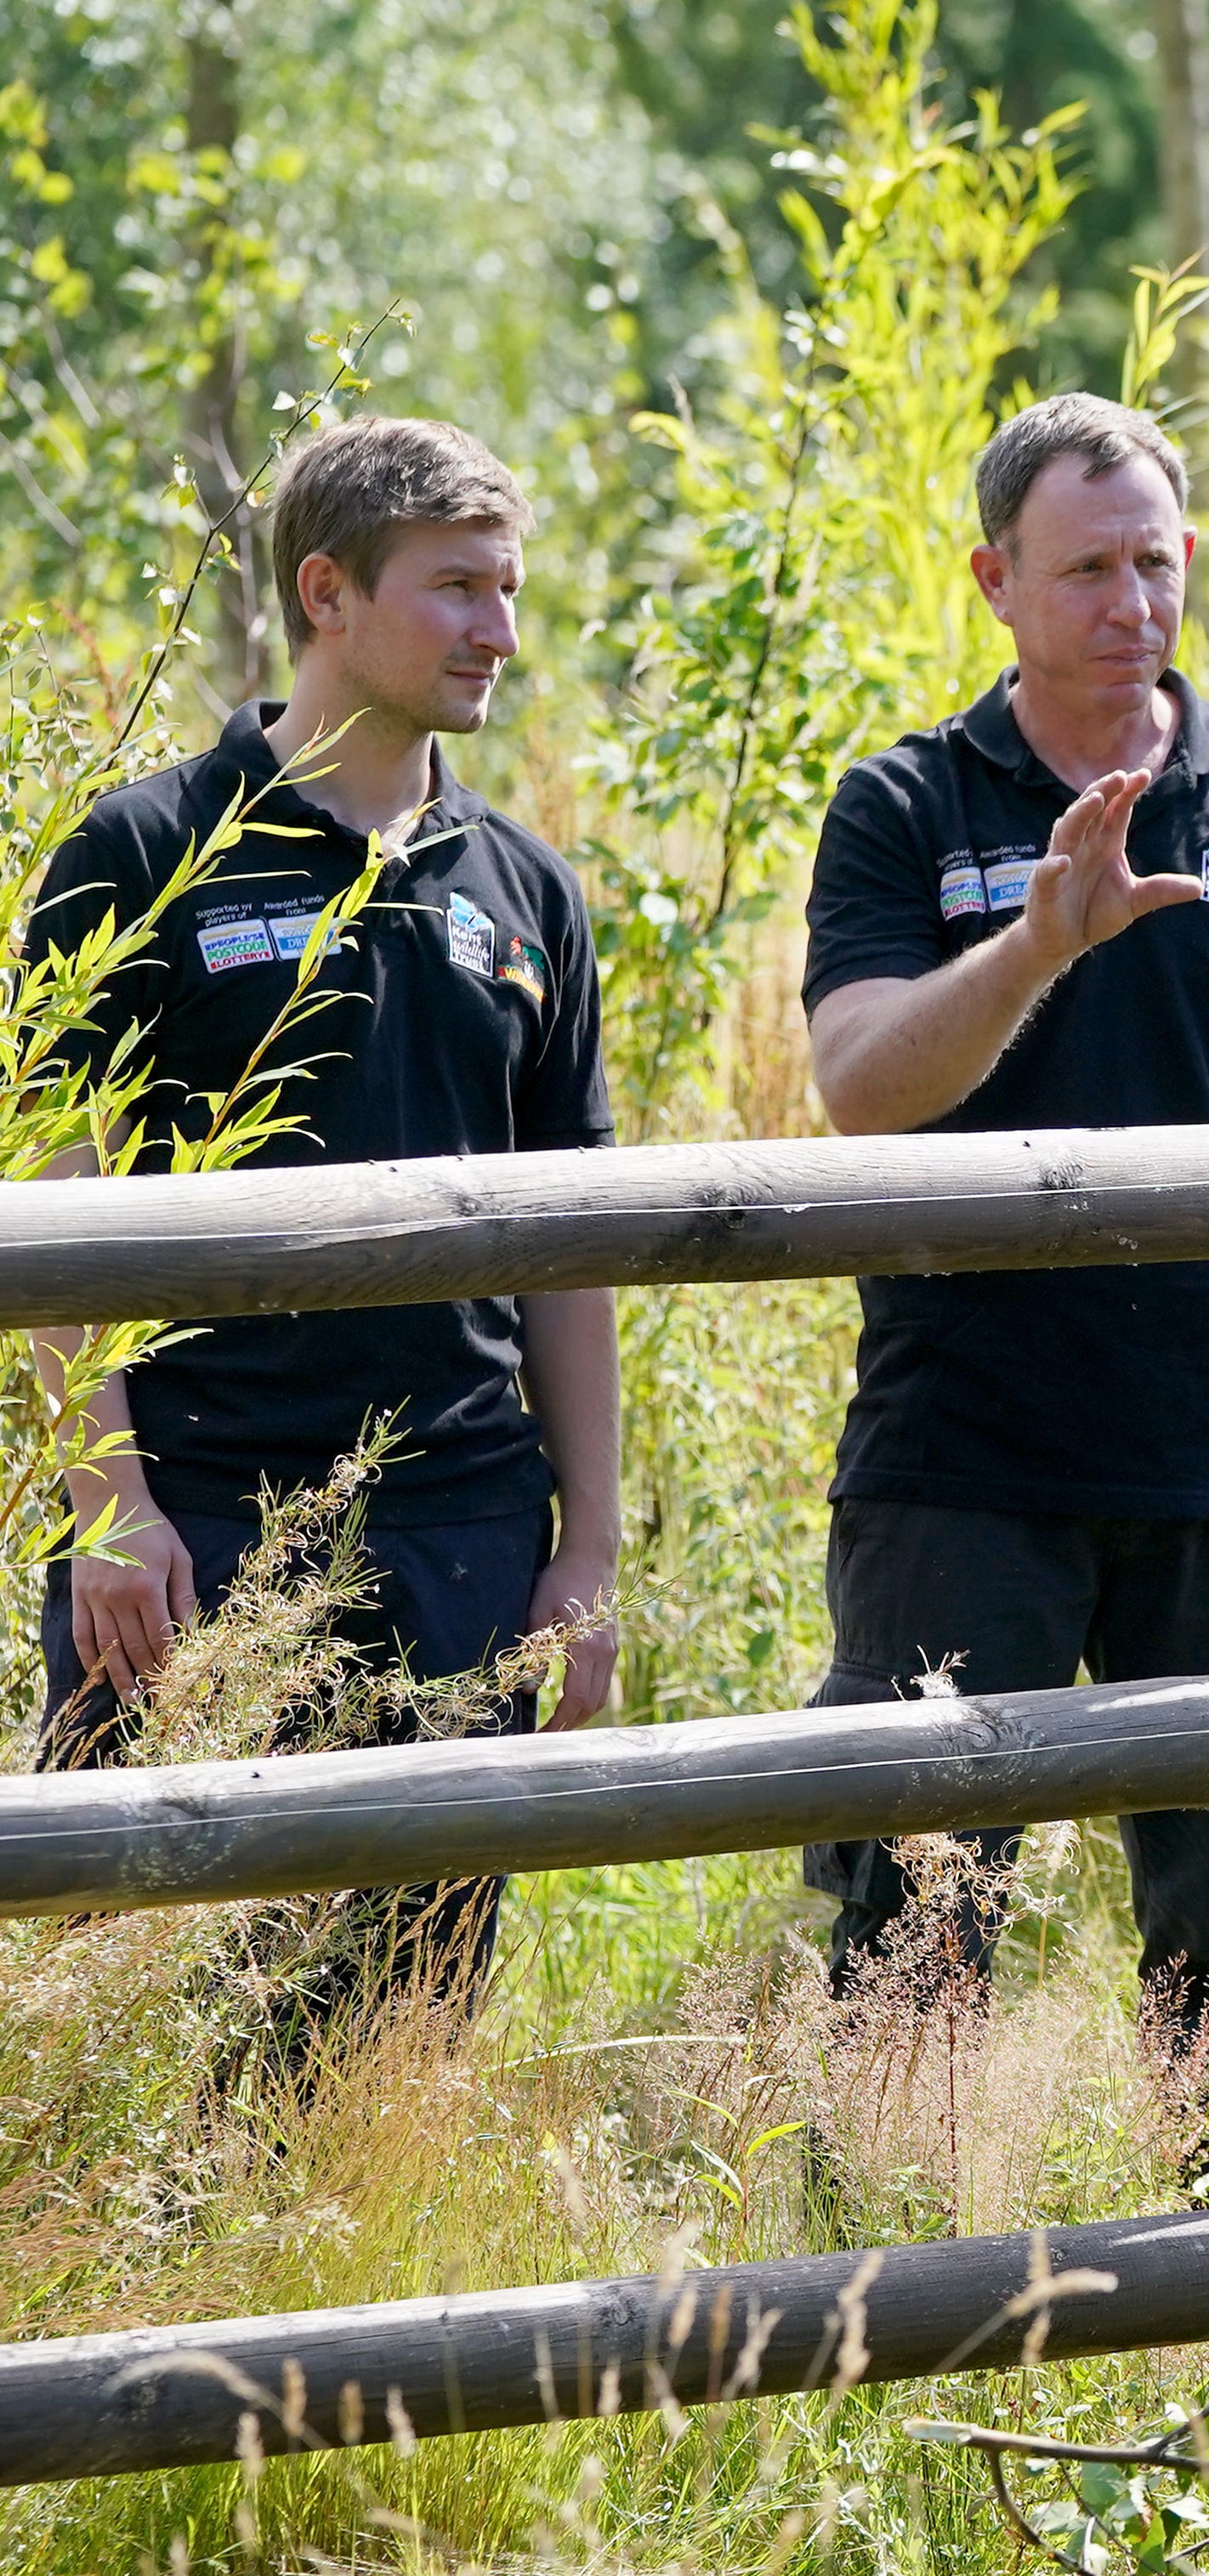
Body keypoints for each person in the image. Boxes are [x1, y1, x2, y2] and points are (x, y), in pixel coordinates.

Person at [796, 393, 1209, 2053]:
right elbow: (858, 1084)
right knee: (919, 1905)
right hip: (966, 1451)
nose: (1130, 603)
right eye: (1085, 572)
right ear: (995, 580)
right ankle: (888, 2270)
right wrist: (1040, 943)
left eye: (1154, 563)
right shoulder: (908, 804)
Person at [19, 415, 619, 2035]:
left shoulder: (525, 890)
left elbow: (578, 1253)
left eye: (508, 588)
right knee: (128, 2019)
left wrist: (588, 1548)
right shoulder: (141, 853)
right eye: (457, 590)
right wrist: (109, 1503)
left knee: (402, 2022)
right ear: (327, 594)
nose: (498, 630)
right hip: (197, 1527)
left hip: (461, 1529)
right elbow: (49, 1217)